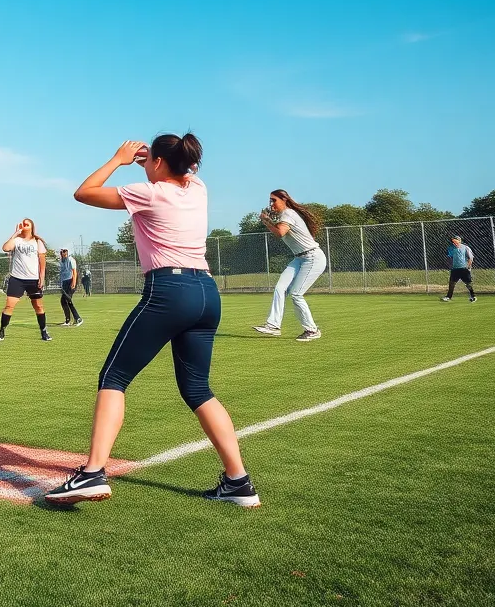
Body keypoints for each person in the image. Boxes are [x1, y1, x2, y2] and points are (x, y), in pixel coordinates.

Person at [46, 136, 259, 508]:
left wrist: (118, 158)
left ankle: (93, 473)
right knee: (198, 390)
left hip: (169, 290)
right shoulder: (198, 188)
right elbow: (184, 169)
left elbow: (84, 192)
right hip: (207, 293)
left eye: (149, 161)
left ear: (158, 163)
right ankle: (238, 482)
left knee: (114, 378)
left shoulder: (150, 192)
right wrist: (155, 157)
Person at [252, 190, 327, 341]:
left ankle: (312, 330)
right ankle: (273, 326)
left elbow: (280, 233)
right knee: (280, 288)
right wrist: (269, 219)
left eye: (274, 200)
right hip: (299, 259)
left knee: (296, 294)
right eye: (270, 200)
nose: (271, 203)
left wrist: (266, 221)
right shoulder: (283, 215)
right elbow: (280, 228)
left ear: (284, 199)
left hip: (313, 258)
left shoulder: (288, 214)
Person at [0, 219, 50, 342]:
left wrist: (42, 278)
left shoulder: (37, 241)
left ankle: (44, 331)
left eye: (26, 224)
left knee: (38, 306)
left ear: (31, 227)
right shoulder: (17, 240)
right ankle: (1, 331)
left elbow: (42, 262)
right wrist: (15, 234)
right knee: (9, 305)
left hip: (33, 279)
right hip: (17, 279)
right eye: (22, 224)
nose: (24, 225)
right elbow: (5, 247)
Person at [442, 235, 477, 302]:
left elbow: (471, 258)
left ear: (459, 241)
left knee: (468, 284)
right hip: (455, 269)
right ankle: (448, 297)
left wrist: (468, 267)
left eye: (456, 241)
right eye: (453, 242)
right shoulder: (451, 248)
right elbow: (449, 257)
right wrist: (450, 266)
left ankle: (473, 296)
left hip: (464, 269)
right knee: (452, 283)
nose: (454, 243)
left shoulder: (466, 248)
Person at [57, 247, 83, 327]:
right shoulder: (62, 261)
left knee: (68, 300)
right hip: (64, 282)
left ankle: (78, 318)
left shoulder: (71, 260)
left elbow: (74, 272)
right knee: (63, 301)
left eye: (64, 252)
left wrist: (74, 283)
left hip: (70, 281)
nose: (62, 254)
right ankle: (68, 321)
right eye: (61, 253)